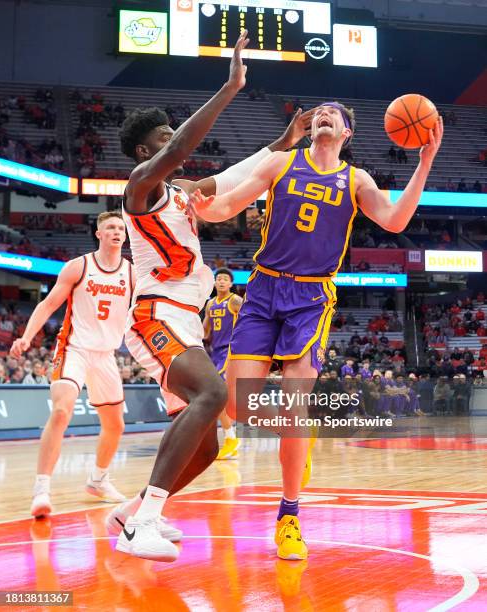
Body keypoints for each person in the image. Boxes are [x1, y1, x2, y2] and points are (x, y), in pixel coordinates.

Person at [189, 101, 443, 560]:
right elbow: (228, 203)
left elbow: (396, 221)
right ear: (311, 129)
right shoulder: (282, 161)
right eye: (318, 112)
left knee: (294, 404)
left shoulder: (356, 180)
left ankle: (288, 516)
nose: (323, 115)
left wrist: (424, 164)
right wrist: (204, 207)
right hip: (263, 291)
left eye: (334, 113)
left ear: (347, 132)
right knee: (238, 404)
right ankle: (297, 434)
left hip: (310, 299)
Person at [106, 31, 316, 562]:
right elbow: (180, 150)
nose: (172, 140)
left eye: (170, 135)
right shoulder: (140, 187)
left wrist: (285, 141)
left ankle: (132, 512)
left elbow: (238, 174)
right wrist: (230, 86)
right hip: (155, 315)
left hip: (184, 321)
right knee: (216, 396)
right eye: (163, 137)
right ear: (143, 151)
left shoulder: (183, 193)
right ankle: (144, 524)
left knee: (212, 443)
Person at [10, 211, 134, 518]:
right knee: (62, 410)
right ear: (99, 234)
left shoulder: (131, 272)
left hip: (106, 355)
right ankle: (42, 488)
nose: (117, 232)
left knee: (115, 425)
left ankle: (98, 480)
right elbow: (49, 303)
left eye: (120, 228)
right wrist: (27, 337)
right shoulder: (79, 266)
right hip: (73, 349)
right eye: (110, 228)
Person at [203, 268, 243, 459]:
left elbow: (250, 320)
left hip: (230, 351)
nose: (221, 282)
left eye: (225, 279)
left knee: (216, 394)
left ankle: (231, 438)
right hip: (215, 352)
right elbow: (205, 331)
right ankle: (230, 438)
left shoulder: (235, 300)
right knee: (219, 398)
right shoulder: (210, 303)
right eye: (218, 279)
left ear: (230, 284)